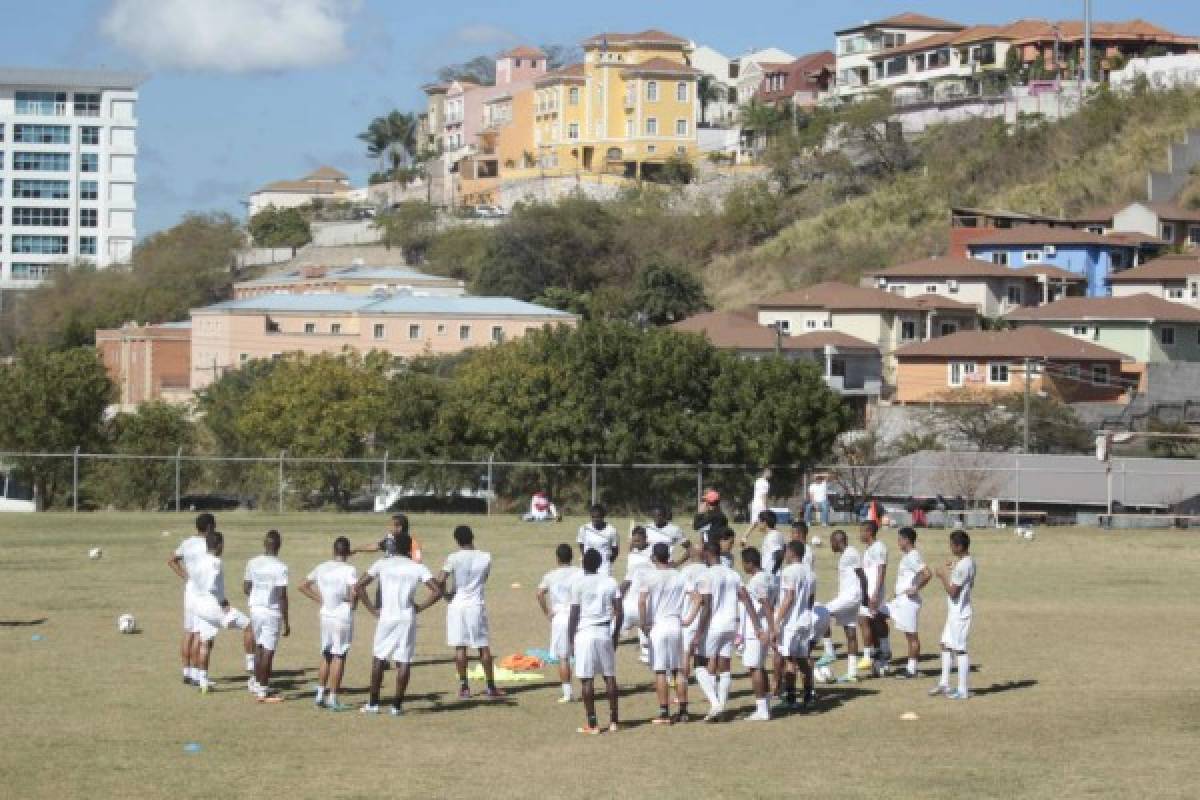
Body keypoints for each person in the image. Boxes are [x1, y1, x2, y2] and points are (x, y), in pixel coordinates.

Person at [355, 531, 443, 715]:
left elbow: (359, 586)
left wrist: (371, 609)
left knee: (379, 658)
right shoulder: (418, 567)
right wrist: (420, 607)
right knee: (404, 660)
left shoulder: (382, 564)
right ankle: (396, 706)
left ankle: (373, 703)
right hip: (406, 616)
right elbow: (437, 591)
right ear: (410, 549)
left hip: (387, 615)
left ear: (393, 547)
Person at [695, 541, 763, 722]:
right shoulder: (733, 574)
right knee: (724, 666)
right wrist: (757, 625)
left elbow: (707, 606)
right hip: (731, 624)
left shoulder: (706, 576)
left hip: (714, 626)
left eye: (703, 553)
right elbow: (746, 599)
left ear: (708, 554)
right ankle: (722, 707)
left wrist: (698, 632)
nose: (701, 556)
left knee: (699, 664)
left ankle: (715, 703)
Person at [437, 525, 503, 699]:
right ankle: (490, 686)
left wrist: (446, 595)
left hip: (457, 605)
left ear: (457, 541)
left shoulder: (453, 558)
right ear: (473, 537)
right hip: (475, 604)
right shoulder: (485, 557)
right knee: (483, 646)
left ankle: (464, 686)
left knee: (460, 647)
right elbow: (484, 579)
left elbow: (440, 580)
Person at [298, 537, 358, 711]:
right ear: (347, 553)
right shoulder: (349, 569)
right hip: (341, 615)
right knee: (340, 655)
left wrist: (321, 599)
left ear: (333, 551)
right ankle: (333, 697)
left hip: (326, 614)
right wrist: (353, 604)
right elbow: (354, 590)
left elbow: (302, 585)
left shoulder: (322, 567)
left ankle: (319, 693)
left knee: (326, 654)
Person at [567, 548, 622, 734]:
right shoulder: (610, 582)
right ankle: (614, 721)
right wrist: (615, 635)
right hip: (604, 631)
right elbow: (619, 612)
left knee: (586, 679)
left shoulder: (578, 584)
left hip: (584, 633)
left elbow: (573, 615)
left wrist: (570, 640)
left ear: (583, 564)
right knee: (609, 676)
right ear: (599, 564)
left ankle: (593, 723)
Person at [188, 531, 250, 693]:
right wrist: (224, 603)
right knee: (249, 626)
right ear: (220, 545)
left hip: (198, 606)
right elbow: (214, 586)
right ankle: (253, 669)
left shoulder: (198, 561)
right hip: (213, 606)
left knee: (206, 642)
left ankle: (203, 681)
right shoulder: (216, 562)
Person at [639, 542, 693, 724]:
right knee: (679, 669)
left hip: (659, 626)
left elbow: (641, 601)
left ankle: (664, 712)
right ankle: (684, 710)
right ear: (668, 557)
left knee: (660, 670)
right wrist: (689, 619)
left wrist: (643, 623)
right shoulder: (679, 576)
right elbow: (697, 597)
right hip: (676, 624)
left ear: (654, 557)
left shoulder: (649, 577)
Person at [243, 530, 290, 702]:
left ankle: (256, 681)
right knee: (268, 651)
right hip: (272, 610)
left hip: (255, 609)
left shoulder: (252, 562)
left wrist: (257, 595)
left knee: (259, 647)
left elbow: (246, 587)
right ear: (279, 546)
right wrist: (286, 620)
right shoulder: (281, 567)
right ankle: (263, 689)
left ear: (264, 544)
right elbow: (283, 595)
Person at [168, 513, 215, 685]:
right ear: (209, 527)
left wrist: (185, 576)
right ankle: (196, 674)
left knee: (188, 631)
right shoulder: (209, 545)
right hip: (202, 593)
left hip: (189, 592)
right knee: (199, 633)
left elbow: (171, 560)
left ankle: (186, 671)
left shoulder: (186, 543)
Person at [814, 530, 867, 683]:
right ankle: (852, 673)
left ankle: (829, 651)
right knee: (850, 632)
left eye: (832, 542)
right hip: (848, 596)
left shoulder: (851, 553)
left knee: (821, 612)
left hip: (851, 597)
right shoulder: (846, 555)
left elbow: (862, 576)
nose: (831, 545)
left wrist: (865, 599)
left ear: (838, 541)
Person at [931, 529, 976, 700]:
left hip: (960, 614)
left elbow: (953, 592)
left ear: (958, 546)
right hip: (954, 613)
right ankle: (944, 683)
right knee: (945, 644)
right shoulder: (967, 562)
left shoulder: (963, 566)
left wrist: (943, 576)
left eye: (951, 545)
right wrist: (953, 567)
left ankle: (963, 690)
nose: (949, 547)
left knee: (960, 650)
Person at [882, 527, 931, 680]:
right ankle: (884, 650)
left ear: (906, 540)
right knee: (875, 614)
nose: (898, 542)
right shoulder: (908, 556)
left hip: (909, 603)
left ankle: (912, 669)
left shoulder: (913, 556)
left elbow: (927, 573)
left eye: (899, 539)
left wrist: (915, 588)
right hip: (899, 601)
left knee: (911, 637)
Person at [536, 544, 583, 703]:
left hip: (560, 618)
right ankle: (585, 688)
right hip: (578, 616)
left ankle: (567, 693)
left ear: (557, 558)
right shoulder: (580, 573)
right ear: (571, 557)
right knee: (580, 654)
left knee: (563, 657)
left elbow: (540, 593)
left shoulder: (551, 575)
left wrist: (547, 612)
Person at [774, 540, 817, 711]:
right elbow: (811, 599)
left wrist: (777, 621)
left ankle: (791, 697)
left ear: (792, 553)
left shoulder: (789, 572)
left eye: (786, 552)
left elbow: (789, 597)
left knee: (789, 660)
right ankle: (808, 695)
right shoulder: (811, 573)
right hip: (805, 620)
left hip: (791, 622)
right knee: (803, 660)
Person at [738, 547, 775, 721]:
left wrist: (761, 628)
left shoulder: (757, 581)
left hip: (758, 630)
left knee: (754, 668)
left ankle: (762, 709)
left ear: (750, 563)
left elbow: (765, 604)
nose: (743, 566)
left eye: (744, 563)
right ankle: (766, 704)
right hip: (763, 627)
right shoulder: (769, 577)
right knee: (759, 666)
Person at [858, 520, 891, 677]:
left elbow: (881, 570)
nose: (860, 534)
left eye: (862, 531)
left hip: (873, 592)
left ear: (869, 532)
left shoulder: (879, 547)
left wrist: (876, 593)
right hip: (867, 592)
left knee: (865, 620)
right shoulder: (868, 549)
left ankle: (874, 654)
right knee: (872, 622)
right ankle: (880, 660)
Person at [619, 527, 655, 663]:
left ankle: (647, 654)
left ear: (646, 539)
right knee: (616, 628)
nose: (636, 543)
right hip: (631, 597)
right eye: (634, 541)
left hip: (646, 596)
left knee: (644, 624)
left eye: (638, 541)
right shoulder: (632, 554)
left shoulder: (652, 552)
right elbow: (628, 579)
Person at [354, 513, 423, 564]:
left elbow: (418, 561)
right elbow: (375, 546)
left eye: (391, 526)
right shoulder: (390, 539)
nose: (389, 528)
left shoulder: (413, 542)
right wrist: (357, 549)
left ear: (399, 527)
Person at [577, 504, 619, 577]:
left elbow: (615, 550)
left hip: (604, 568)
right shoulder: (584, 528)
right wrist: (586, 558)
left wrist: (608, 562)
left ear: (603, 516)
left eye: (598, 517)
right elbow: (581, 544)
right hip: (587, 566)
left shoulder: (611, 530)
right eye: (593, 517)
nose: (595, 519)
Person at [740, 510, 784, 576]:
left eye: (759, 521)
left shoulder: (772, 537)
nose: (758, 524)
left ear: (764, 523)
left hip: (769, 575)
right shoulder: (776, 534)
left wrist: (773, 572)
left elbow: (779, 555)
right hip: (770, 573)